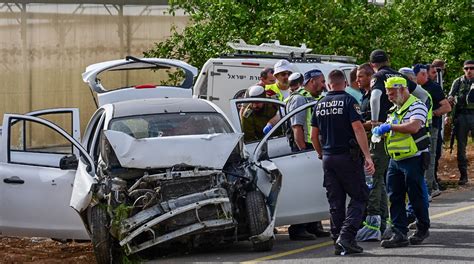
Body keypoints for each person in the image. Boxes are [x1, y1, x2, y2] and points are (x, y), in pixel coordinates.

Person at [311, 69, 375, 255]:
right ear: (345, 84)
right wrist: (368, 156)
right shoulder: (349, 101)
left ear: (329, 84)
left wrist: (321, 154)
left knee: (336, 202)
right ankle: (347, 236)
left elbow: (314, 135)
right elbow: (358, 129)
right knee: (360, 196)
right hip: (347, 157)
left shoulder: (319, 104)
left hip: (329, 158)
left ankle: (337, 241)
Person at [373, 77, 431, 248]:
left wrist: (390, 127)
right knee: (395, 196)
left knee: (416, 196)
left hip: (414, 157)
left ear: (402, 89)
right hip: (396, 159)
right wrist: (383, 131)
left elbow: (414, 127)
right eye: (387, 93)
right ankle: (399, 233)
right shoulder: (395, 109)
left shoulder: (417, 105)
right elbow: (396, 130)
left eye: (391, 93)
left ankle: (422, 228)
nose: (389, 97)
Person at [285, 69, 329, 240]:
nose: (324, 85)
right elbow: (297, 128)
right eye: (321, 81)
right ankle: (298, 228)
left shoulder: (314, 98)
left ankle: (313, 225)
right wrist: (303, 151)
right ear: (312, 82)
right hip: (304, 149)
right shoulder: (299, 99)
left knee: (316, 187)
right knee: (303, 188)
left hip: (314, 147)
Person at [355, 63, 389, 242]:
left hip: (378, 142)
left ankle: (373, 224)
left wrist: (361, 124)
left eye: (361, 76)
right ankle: (384, 223)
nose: (357, 80)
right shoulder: (365, 96)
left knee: (373, 180)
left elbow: (376, 123)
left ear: (370, 76)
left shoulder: (376, 95)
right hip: (370, 142)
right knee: (379, 182)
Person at [413, 64, 451, 197]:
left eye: (414, 75)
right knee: (419, 158)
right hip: (416, 128)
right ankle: (431, 186)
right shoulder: (414, 88)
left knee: (429, 158)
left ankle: (428, 190)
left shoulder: (434, 87)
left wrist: (432, 113)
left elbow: (447, 107)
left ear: (423, 74)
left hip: (432, 127)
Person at [447, 60, 474, 185]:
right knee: (461, 147)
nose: (469, 71)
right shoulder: (458, 82)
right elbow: (450, 98)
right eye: (466, 68)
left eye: (472, 68)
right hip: (462, 116)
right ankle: (464, 176)